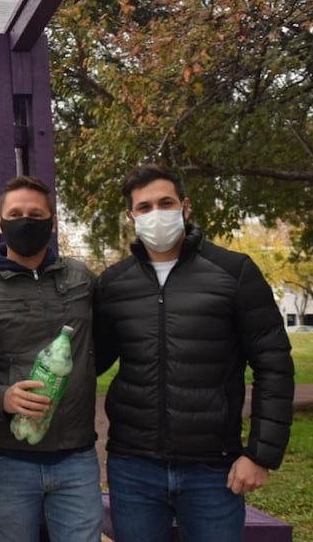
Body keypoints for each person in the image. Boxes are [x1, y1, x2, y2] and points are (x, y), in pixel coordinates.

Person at [94, 163, 295, 541]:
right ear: (130, 216)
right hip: (133, 468)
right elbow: (91, 359)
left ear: (185, 207)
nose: (156, 214)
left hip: (213, 470)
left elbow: (274, 364)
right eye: (144, 207)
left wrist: (260, 455)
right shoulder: (114, 283)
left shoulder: (234, 272)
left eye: (165, 203)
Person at [0, 175, 101, 542]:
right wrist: (1, 398)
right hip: (8, 459)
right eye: (16, 213)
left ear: (53, 222)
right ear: (0, 223)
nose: (26, 221)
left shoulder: (81, 278)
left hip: (76, 457)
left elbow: (105, 342)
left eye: (36, 214)